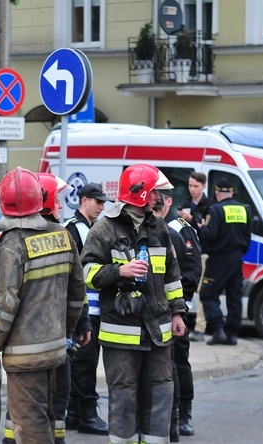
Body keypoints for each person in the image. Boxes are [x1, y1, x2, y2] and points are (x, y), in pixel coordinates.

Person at [81, 164, 186, 443]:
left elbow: (172, 276)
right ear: (140, 195)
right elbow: (85, 273)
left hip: (158, 330)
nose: (158, 198)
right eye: (154, 192)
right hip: (121, 331)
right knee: (124, 395)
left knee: (160, 391)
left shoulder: (159, 227)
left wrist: (178, 313)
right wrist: (119, 272)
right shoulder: (104, 228)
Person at [0, 167, 85, 443]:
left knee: (30, 425)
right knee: (48, 419)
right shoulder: (63, 235)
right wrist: (67, 332)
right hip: (54, 349)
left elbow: (5, 302)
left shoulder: (13, 244)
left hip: (23, 355)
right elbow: (77, 293)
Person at [155, 189, 202, 440]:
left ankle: (184, 413)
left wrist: (178, 306)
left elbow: (193, 270)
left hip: (177, 309)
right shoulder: (151, 225)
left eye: (159, 199)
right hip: (155, 311)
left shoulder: (179, 228)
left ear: (168, 201)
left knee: (179, 361)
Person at [64, 182, 110, 436]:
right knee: (85, 362)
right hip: (85, 309)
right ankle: (87, 416)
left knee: (84, 361)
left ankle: (74, 413)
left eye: (103, 202)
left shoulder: (88, 228)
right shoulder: (76, 230)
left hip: (90, 308)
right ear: (84, 201)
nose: (102, 207)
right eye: (98, 202)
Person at [199, 177, 251, 346]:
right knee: (234, 297)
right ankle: (232, 335)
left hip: (218, 259)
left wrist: (202, 229)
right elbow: (247, 237)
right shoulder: (245, 210)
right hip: (237, 259)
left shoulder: (216, 210)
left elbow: (211, 235)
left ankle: (218, 330)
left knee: (208, 295)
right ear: (231, 192)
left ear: (216, 192)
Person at [178, 171, 214, 342]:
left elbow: (206, 232)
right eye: (190, 185)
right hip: (187, 252)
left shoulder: (209, 206)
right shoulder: (185, 203)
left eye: (196, 186)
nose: (192, 189)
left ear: (203, 186)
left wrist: (192, 219)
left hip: (203, 253)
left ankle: (200, 328)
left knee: (204, 291)